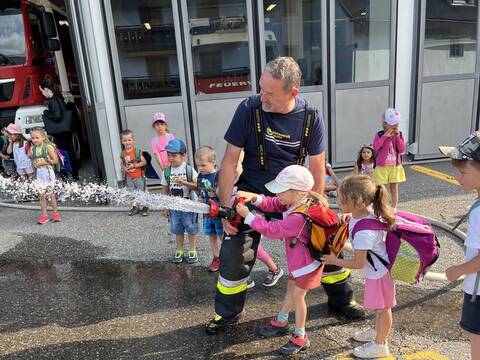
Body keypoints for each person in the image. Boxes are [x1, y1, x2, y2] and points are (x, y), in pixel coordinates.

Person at [206, 57, 363, 336]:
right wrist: (227, 208)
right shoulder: (248, 109)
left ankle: (342, 300)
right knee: (234, 254)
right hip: (252, 191)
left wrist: (315, 208)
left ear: (293, 93)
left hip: (293, 193)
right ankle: (226, 315)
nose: (262, 97)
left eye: (270, 93)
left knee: (324, 241)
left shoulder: (311, 117)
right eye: (261, 89)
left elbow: (317, 166)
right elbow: (229, 161)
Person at [235, 165, 324, 355]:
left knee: (299, 298)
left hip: (306, 266)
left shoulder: (298, 216)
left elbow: (272, 231)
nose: (278, 195)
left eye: (281, 191)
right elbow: (274, 203)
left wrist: (248, 217)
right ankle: (282, 319)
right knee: (291, 290)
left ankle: (301, 336)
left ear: (296, 191)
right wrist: (255, 198)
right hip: (299, 263)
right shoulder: (298, 202)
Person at [322, 175, 396, 358]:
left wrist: (334, 260)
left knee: (384, 309)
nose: (338, 202)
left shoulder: (364, 233)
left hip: (380, 274)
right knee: (380, 307)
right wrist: (347, 216)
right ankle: (376, 331)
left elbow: (358, 263)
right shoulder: (363, 213)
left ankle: (381, 344)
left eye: (343, 200)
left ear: (360, 202)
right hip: (378, 272)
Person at [439, 132, 480, 360]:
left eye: (463, 172)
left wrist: (458, 270)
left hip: (478, 291)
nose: (456, 176)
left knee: (476, 337)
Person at [161, 138, 199, 264]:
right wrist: (166, 207)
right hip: (174, 207)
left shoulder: (188, 170)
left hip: (189, 206)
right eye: (168, 155)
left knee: (191, 228)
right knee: (177, 229)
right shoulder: (166, 171)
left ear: (183, 155)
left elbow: (197, 185)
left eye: (174, 155)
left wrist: (184, 182)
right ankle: (180, 249)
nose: (170, 158)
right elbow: (165, 190)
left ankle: (192, 250)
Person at [39, 79, 78, 178]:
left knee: (62, 153)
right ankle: (73, 173)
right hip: (65, 131)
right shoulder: (59, 98)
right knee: (68, 151)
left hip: (60, 133)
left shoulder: (54, 101)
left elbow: (57, 116)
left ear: (47, 89)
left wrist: (46, 112)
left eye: (42, 91)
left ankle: (68, 173)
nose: (42, 94)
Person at [195, 145, 223, 272]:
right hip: (207, 213)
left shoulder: (219, 176)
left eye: (203, 165)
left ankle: (227, 258)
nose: (200, 168)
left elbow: (226, 195)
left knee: (222, 236)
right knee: (211, 236)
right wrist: (200, 199)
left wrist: (215, 194)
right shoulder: (200, 177)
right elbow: (200, 192)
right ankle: (216, 258)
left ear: (213, 162)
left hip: (219, 213)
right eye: (198, 165)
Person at [372, 108, 406, 211]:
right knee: (380, 188)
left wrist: (398, 137)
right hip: (382, 166)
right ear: (385, 123)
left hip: (395, 166)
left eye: (397, 124)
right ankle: (380, 207)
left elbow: (401, 149)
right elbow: (376, 147)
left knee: (394, 188)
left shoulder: (398, 135)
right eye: (393, 124)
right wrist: (385, 137)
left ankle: (394, 207)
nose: (396, 126)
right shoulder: (379, 135)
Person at [27, 128, 61, 225]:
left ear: (43, 137)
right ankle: (44, 215)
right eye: (33, 138)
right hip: (39, 173)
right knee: (41, 195)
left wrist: (44, 162)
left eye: (37, 137)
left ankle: (55, 214)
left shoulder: (47, 147)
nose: (35, 140)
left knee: (50, 194)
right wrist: (34, 163)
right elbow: (31, 158)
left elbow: (55, 161)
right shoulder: (33, 148)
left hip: (48, 171)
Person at [119, 129, 149, 217]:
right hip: (129, 177)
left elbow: (144, 162)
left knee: (142, 192)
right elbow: (121, 163)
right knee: (132, 193)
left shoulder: (137, 152)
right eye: (125, 140)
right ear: (122, 141)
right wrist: (125, 168)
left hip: (138, 176)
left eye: (129, 140)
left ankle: (145, 207)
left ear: (133, 140)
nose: (127, 142)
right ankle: (135, 206)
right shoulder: (123, 153)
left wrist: (134, 166)